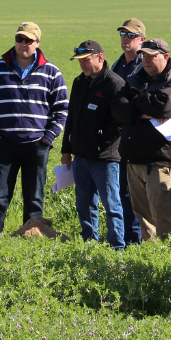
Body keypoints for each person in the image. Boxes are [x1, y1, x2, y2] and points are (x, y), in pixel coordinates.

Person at [0, 22, 69, 236]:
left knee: (34, 198)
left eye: (28, 40)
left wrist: (48, 138)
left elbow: (63, 109)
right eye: (20, 39)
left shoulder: (52, 72)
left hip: (37, 145)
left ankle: (32, 240)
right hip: (5, 144)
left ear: (37, 43)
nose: (23, 44)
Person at [113, 38, 171, 241]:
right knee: (142, 215)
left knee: (161, 213)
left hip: (160, 159)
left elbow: (162, 107)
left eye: (151, 56)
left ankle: (170, 260)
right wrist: (146, 107)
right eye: (144, 56)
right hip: (133, 158)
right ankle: (150, 257)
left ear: (165, 56)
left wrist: (136, 101)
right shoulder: (135, 78)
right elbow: (118, 108)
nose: (146, 60)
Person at [60, 40, 126, 249]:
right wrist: (66, 149)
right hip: (80, 156)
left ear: (100, 57)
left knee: (111, 204)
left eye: (86, 60)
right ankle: (90, 243)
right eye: (80, 61)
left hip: (104, 158)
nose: (82, 65)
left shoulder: (114, 84)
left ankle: (117, 246)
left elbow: (120, 122)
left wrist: (101, 142)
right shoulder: (80, 82)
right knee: (84, 204)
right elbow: (72, 118)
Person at [111, 18, 147, 245]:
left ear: (142, 40)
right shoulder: (118, 65)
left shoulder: (145, 65)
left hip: (139, 137)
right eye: (123, 34)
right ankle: (124, 237)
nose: (126, 39)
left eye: (131, 35)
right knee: (122, 191)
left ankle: (136, 239)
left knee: (137, 194)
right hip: (118, 137)